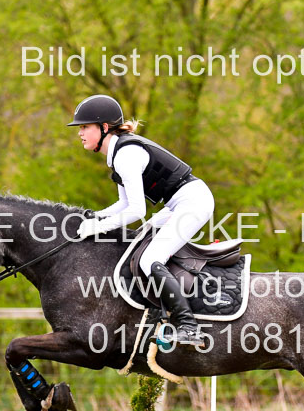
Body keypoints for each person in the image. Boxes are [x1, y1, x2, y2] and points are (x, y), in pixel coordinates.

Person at [70, 94, 211, 347]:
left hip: (193, 202)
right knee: (139, 247)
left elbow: (136, 211)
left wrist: (97, 227)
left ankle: (188, 326)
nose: (80, 133)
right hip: (177, 203)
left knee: (150, 260)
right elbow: (122, 205)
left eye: (84, 127)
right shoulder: (118, 154)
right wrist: (93, 217)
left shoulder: (126, 155)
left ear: (103, 128)